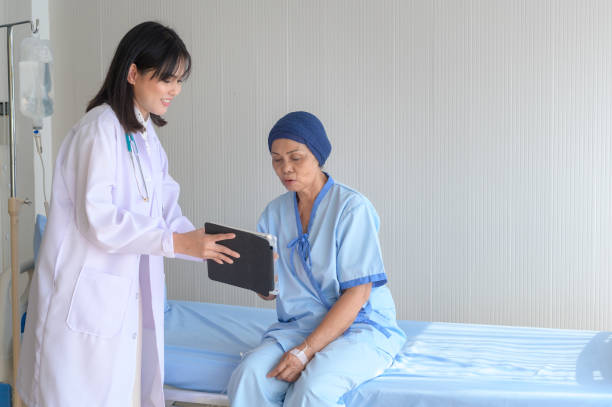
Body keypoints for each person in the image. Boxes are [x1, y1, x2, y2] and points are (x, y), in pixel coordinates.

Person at [17, 21, 239, 407]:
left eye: (180, 80)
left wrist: (220, 250)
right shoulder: (99, 128)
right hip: (82, 306)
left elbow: (169, 215)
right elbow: (98, 220)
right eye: (167, 79)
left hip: (122, 306)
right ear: (133, 72)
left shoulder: (147, 137)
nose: (175, 90)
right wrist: (176, 242)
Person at [228, 111, 406, 406]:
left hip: (360, 327)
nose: (286, 168)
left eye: (296, 157)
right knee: (249, 376)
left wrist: (306, 351)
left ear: (317, 155)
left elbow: (358, 292)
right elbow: (271, 291)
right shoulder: (273, 214)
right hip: (299, 326)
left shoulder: (351, 209)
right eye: (276, 159)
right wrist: (260, 281)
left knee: (312, 389)